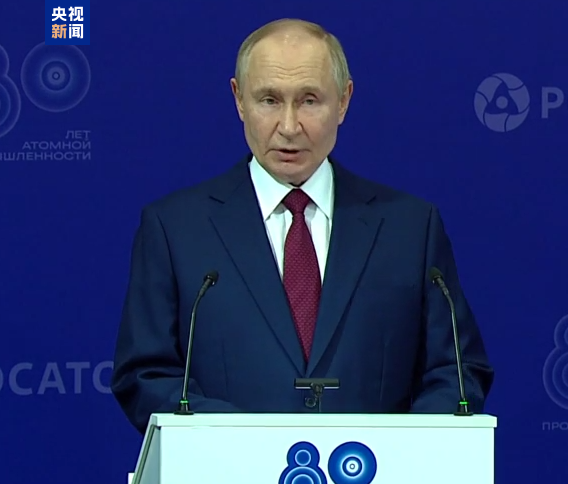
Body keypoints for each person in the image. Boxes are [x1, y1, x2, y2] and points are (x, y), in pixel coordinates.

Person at [110, 18, 494, 435]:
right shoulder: (175, 229)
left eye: (309, 100)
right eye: (269, 100)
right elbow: (146, 375)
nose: (290, 126)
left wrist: (399, 453)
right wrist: (242, 445)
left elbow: (457, 372)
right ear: (239, 100)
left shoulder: (411, 228)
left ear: (343, 101)